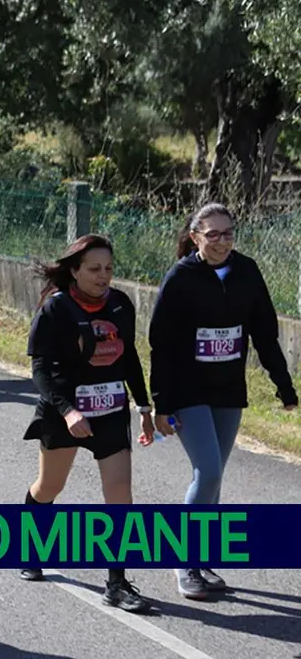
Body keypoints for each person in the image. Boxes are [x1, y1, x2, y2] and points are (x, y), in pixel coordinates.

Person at [147, 202, 298, 600]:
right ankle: (183, 563)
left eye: (228, 233)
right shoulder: (181, 277)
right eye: (212, 234)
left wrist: (283, 386)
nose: (221, 241)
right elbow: (160, 343)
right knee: (208, 471)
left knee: (213, 479)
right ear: (195, 236)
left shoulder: (246, 270)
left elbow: (265, 332)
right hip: (186, 390)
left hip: (228, 390)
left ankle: (200, 560)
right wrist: (160, 402)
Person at [20, 234, 152, 614]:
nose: (103, 276)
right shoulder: (55, 309)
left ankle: (117, 582)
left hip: (110, 410)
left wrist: (143, 406)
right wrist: (68, 411)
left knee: (120, 494)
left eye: (109, 269)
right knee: (49, 486)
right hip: (65, 412)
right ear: (74, 270)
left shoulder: (121, 306)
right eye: (94, 269)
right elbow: (40, 370)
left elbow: (130, 360)